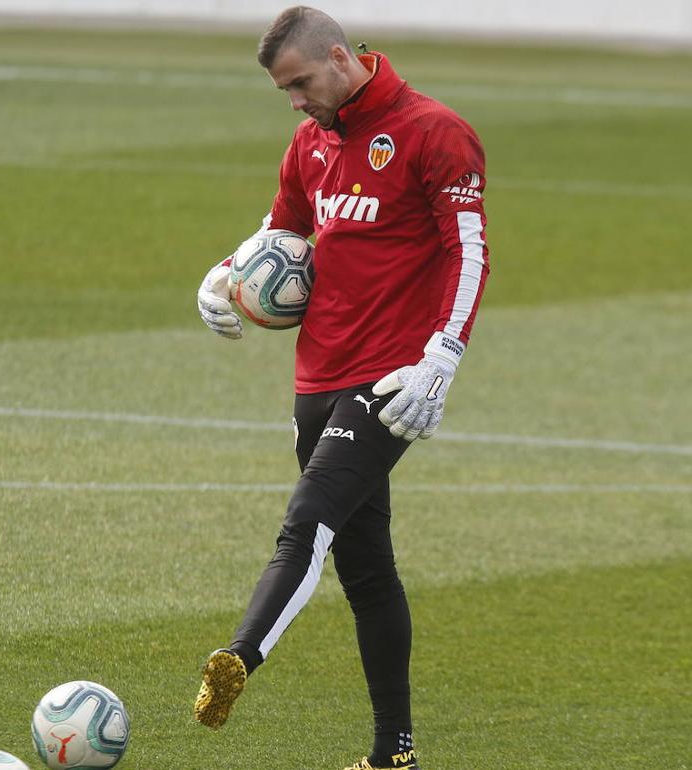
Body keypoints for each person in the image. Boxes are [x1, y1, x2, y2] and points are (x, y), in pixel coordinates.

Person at [193, 7, 489, 769]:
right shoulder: (310, 142)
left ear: (337, 55)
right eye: (284, 91)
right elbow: (281, 230)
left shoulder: (434, 132)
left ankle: (238, 658)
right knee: (367, 569)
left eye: (299, 83)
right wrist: (226, 272)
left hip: (390, 378)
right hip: (316, 375)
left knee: (308, 521)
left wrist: (443, 355)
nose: (295, 100)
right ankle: (394, 755)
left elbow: (470, 252)